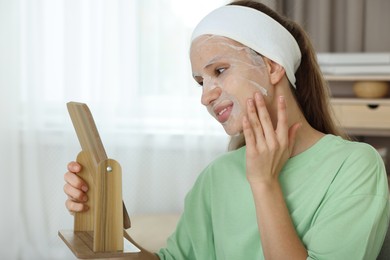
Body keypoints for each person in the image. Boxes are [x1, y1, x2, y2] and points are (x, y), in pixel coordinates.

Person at [63, 1, 390, 259]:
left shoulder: (354, 166)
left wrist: (264, 183)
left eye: (219, 70)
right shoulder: (217, 175)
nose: (206, 96)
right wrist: (103, 229)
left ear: (272, 65)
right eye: (200, 82)